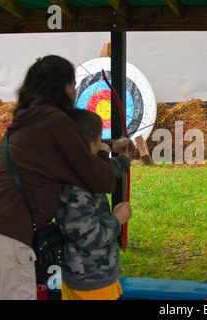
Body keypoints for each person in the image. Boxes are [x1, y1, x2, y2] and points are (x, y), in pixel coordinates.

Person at [0, 55, 132, 300]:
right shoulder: (56, 121)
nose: (75, 91)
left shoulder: (26, 120)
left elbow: (76, 149)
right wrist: (122, 160)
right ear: (62, 88)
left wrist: (109, 146)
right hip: (8, 240)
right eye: (73, 85)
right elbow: (100, 177)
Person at [56, 109, 132, 300]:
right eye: (100, 140)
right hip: (92, 280)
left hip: (76, 277)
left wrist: (118, 154)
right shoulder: (80, 186)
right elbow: (87, 235)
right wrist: (117, 219)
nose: (102, 145)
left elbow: (100, 166)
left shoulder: (67, 168)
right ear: (90, 146)